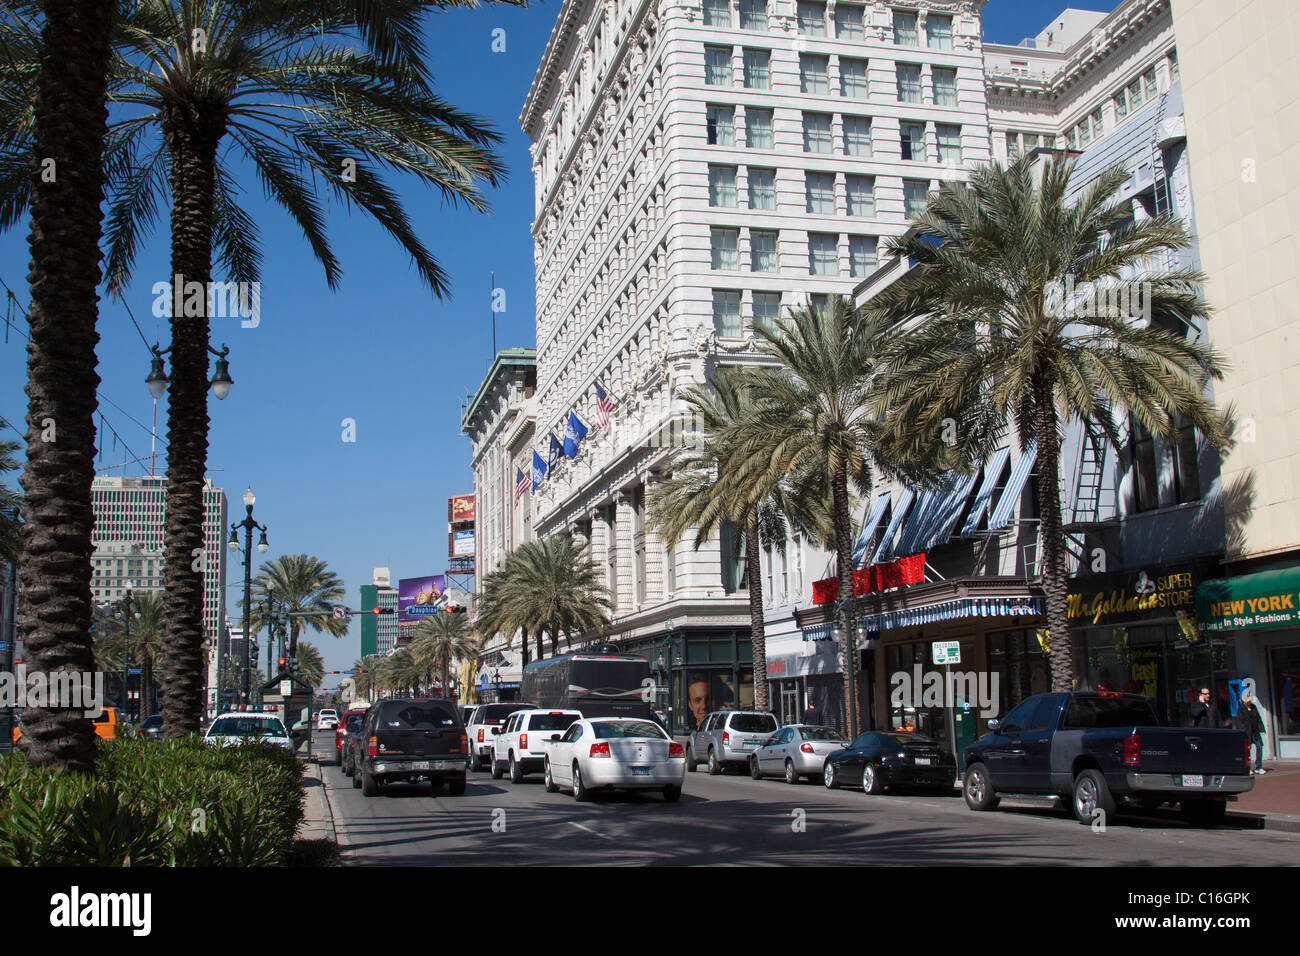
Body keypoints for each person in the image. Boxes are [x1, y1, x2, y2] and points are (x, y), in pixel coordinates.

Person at [1238, 690, 1267, 774]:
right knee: (1247, 751)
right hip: (1247, 732)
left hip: (1255, 732)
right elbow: (1239, 722)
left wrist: (1262, 729)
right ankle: (1248, 768)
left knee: (1259, 747)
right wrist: (1242, 732)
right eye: (1247, 700)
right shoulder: (1241, 709)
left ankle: (1259, 767)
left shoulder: (1254, 707)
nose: (1249, 702)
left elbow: (1258, 718)